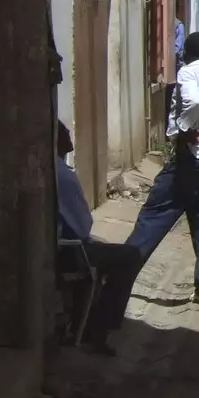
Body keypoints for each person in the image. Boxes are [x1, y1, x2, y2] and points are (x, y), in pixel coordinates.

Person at [123, 31, 199, 305]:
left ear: (186, 53)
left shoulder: (187, 74)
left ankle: (120, 273)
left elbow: (194, 101)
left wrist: (186, 129)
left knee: (155, 215)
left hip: (189, 160)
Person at [55, 123, 141, 355]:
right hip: (66, 252)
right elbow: (82, 226)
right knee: (129, 256)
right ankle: (99, 328)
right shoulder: (62, 174)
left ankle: (85, 321)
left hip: (58, 248)